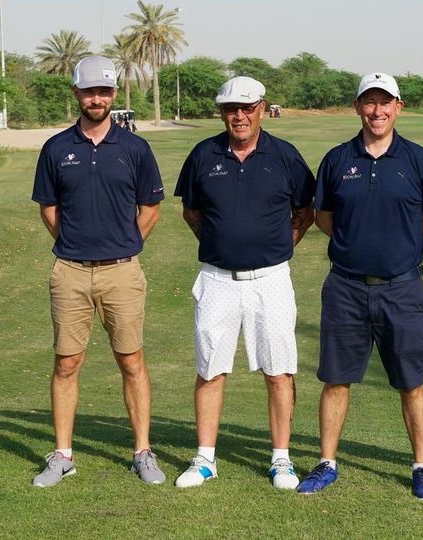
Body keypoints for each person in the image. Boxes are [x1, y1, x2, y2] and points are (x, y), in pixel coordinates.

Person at [296, 73, 423, 499]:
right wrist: (356, 246)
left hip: (403, 289)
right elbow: (324, 217)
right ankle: (327, 462)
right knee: (336, 379)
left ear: (398, 107)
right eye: (369, 102)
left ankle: (421, 466)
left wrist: (404, 251)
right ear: (357, 107)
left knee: (411, 381)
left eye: (385, 102)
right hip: (345, 287)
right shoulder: (337, 159)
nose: (377, 111)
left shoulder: (417, 160)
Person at [173, 76, 316, 490]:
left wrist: (277, 247)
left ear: (262, 109)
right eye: (231, 108)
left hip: (271, 280)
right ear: (222, 112)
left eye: (247, 108)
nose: (239, 116)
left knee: (279, 370)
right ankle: (205, 458)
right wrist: (222, 246)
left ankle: (281, 459)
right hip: (217, 279)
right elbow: (192, 213)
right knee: (210, 368)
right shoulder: (203, 154)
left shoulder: (285, 155)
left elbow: (305, 212)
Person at [30, 55, 166, 487]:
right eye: (89, 91)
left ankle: (142, 451)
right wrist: (77, 245)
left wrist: (124, 245)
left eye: (104, 91)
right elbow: (49, 209)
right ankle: (63, 455)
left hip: (122, 273)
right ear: (76, 93)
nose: (97, 99)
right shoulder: (56, 148)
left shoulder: (134, 148)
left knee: (131, 360)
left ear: (114, 94)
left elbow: (150, 208)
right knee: (67, 363)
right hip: (70, 272)